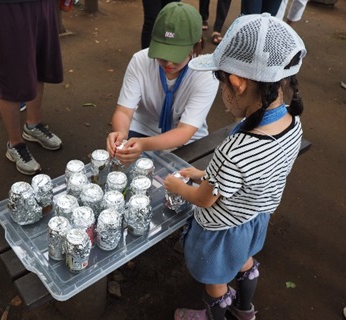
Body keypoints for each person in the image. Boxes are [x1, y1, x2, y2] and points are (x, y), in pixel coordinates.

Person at [163, 13, 306, 320]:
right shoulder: (293, 123)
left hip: (220, 232)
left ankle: (216, 313)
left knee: (215, 282)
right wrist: (207, 175)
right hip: (254, 220)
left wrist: (179, 187)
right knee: (243, 260)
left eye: (222, 81)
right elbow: (254, 174)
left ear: (238, 83)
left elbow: (204, 199)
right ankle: (245, 309)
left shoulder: (236, 148)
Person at [107, 2, 219, 166]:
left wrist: (144, 145)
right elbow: (124, 111)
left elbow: (185, 131)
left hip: (188, 139)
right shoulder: (140, 60)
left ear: (196, 45)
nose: (168, 63)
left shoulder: (206, 74)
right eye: (162, 53)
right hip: (142, 129)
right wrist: (120, 133)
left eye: (176, 55)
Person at [0, 0, 63, 176]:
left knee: (40, 64)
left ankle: (33, 125)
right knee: (12, 74)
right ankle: (14, 143)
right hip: (7, 7)